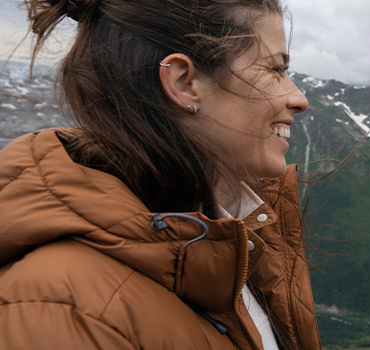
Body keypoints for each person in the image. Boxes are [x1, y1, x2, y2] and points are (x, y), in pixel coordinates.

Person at [0, 0, 322, 349]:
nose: (299, 98)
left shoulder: (236, 248)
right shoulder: (65, 309)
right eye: (275, 70)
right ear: (183, 83)